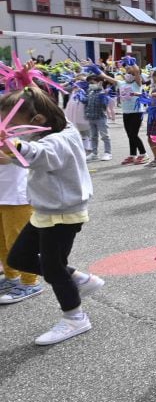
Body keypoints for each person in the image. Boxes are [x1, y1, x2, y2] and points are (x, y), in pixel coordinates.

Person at [0, 86, 102, 345]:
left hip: (63, 214)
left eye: (13, 127)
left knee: (54, 268)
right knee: (19, 257)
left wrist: (11, 142)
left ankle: (75, 317)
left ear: (38, 121)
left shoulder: (59, 140)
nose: (10, 130)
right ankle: (78, 277)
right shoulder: (57, 124)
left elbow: (38, 155)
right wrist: (27, 82)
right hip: (47, 210)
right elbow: (41, 102)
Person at [0, 162, 41, 304]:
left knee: (17, 242)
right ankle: (12, 276)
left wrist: (10, 154)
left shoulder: (16, 139)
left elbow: (27, 151)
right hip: (3, 192)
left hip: (16, 196)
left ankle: (30, 282)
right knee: (2, 242)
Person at [83, 73, 112, 161]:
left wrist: (104, 97)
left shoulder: (103, 92)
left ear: (99, 82)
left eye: (92, 82)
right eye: (89, 83)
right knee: (93, 136)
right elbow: (87, 103)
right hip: (91, 117)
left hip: (100, 117)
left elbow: (104, 106)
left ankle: (108, 153)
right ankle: (94, 153)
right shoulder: (89, 92)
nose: (90, 85)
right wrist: (82, 99)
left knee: (104, 136)